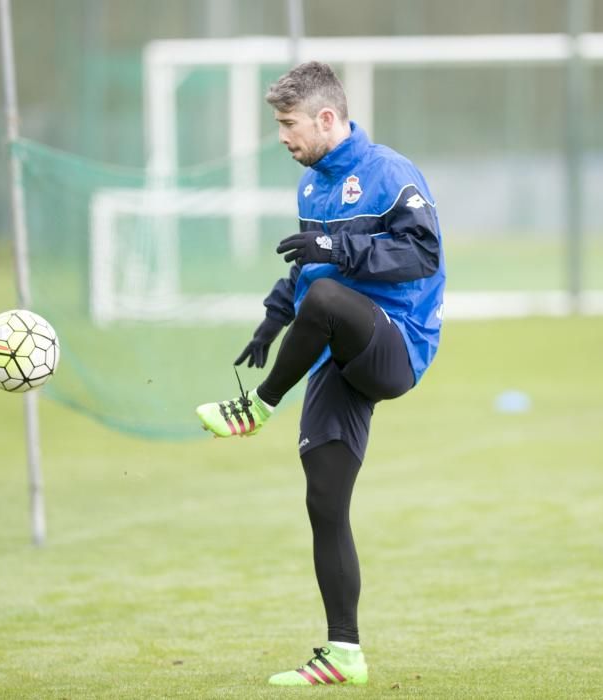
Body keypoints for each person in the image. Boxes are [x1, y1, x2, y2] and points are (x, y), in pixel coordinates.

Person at [195, 61, 445, 687]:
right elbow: (306, 270)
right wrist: (271, 322)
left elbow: (421, 252)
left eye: (288, 124)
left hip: (397, 344)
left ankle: (259, 405)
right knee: (324, 502)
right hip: (337, 348)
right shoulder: (311, 188)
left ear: (326, 118)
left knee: (329, 302)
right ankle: (344, 654)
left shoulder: (388, 173)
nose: (282, 137)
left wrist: (337, 253)